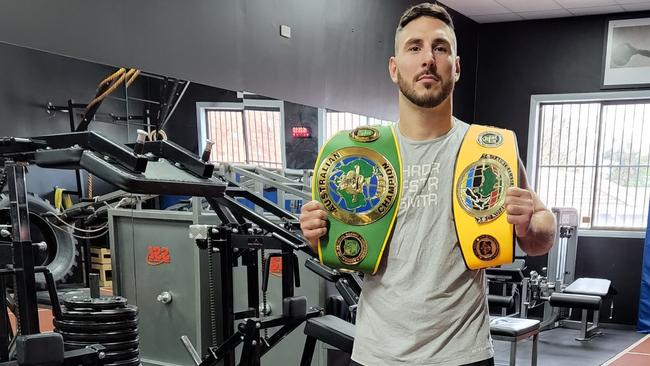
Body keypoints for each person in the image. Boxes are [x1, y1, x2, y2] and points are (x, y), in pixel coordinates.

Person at [300, 3, 556, 365]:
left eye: (440, 47)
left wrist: (533, 222)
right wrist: (317, 236)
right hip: (377, 354)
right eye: (414, 47)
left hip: (462, 354)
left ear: (457, 66)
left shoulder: (488, 150)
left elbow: (540, 238)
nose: (428, 59)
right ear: (394, 67)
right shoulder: (361, 157)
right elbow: (344, 254)